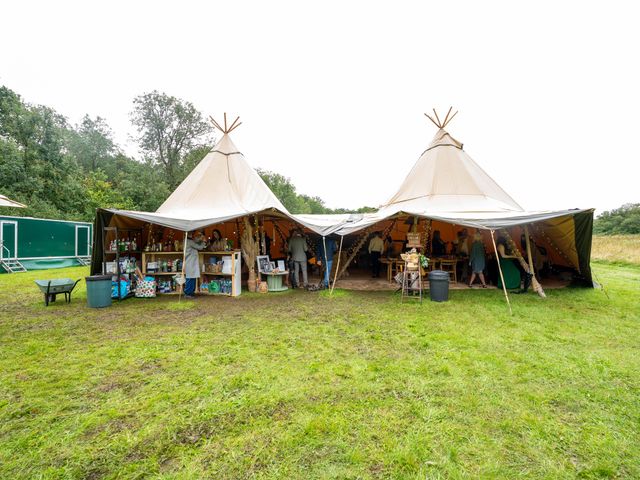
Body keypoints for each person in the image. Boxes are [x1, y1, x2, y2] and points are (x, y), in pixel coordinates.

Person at [184, 231, 206, 298]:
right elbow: (199, 247)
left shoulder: (189, 240)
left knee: (192, 277)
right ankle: (188, 293)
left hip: (191, 261)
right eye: (192, 234)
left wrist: (200, 238)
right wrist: (203, 241)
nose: (193, 235)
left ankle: (191, 292)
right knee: (190, 278)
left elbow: (195, 240)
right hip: (190, 261)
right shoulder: (189, 241)